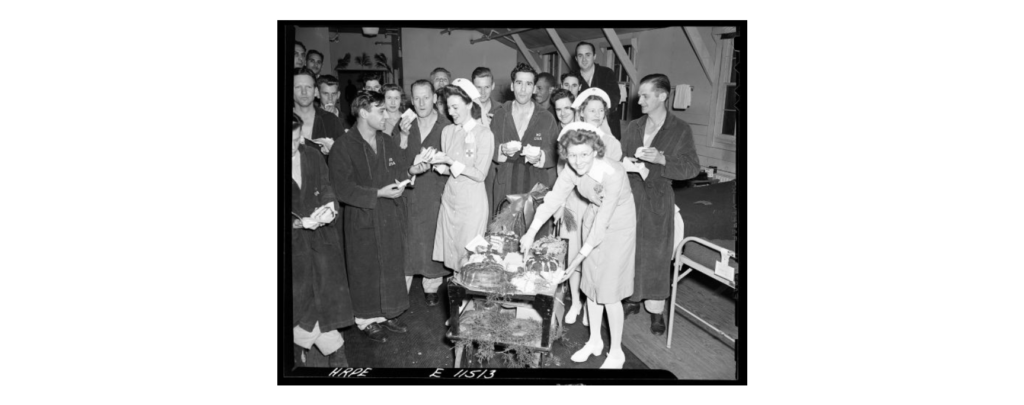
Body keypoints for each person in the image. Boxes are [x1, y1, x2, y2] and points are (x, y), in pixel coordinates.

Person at [520, 127, 636, 369]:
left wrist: (574, 262)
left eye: (584, 154)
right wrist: (530, 233)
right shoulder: (572, 170)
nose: (578, 161)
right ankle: (594, 341)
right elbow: (553, 200)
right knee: (591, 285)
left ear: (596, 151)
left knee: (609, 292)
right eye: (572, 155)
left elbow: (604, 224)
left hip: (618, 228)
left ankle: (616, 352)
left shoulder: (613, 173)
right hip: (593, 219)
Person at [328, 90, 432, 343]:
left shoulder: (386, 140)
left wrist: (412, 170)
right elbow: (342, 189)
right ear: (364, 113)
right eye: (381, 110)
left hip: (388, 215)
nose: (386, 115)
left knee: (391, 265)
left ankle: (389, 313)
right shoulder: (344, 145)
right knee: (365, 269)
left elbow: (399, 169)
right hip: (362, 216)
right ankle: (366, 320)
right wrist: (377, 193)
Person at [620, 74, 701, 335]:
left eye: (645, 96)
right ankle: (632, 299)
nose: (639, 100)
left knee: (656, 256)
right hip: (631, 196)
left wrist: (663, 160)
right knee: (631, 252)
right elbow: (621, 157)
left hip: (658, 198)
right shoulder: (634, 126)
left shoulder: (680, 129)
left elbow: (692, 167)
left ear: (662, 96)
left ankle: (656, 310)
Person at [291, 112, 353, 367]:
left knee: (324, 296)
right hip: (294, 245)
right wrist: (296, 223)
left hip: (321, 240)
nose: (296, 145)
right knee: (302, 301)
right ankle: (334, 350)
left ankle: (301, 349)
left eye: (297, 138)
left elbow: (327, 187)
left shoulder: (311, 155)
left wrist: (329, 208)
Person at [394, 80, 453, 306]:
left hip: (435, 191)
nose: (421, 103)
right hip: (409, 190)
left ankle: (432, 285)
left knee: (432, 236)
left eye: (426, 97)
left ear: (435, 98)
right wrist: (403, 136)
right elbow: (394, 160)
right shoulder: (404, 124)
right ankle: (403, 286)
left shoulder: (446, 126)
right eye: (416, 98)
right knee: (407, 240)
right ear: (411, 99)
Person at [431, 80, 495, 276]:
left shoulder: (484, 134)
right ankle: (457, 295)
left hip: (472, 204)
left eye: (455, 107)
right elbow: (448, 169)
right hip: (450, 200)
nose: (451, 112)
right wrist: (435, 163)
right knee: (453, 255)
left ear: (469, 104)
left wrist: (451, 161)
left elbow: (480, 174)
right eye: (448, 107)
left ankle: (467, 295)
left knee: (470, 259)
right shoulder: (447, 131)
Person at [489, 63, 560, 221]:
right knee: (502, 231)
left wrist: (540, 156)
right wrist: (502, 150)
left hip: (535, 186)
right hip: (505, 184)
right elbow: (489, 148)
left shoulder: (546, 118)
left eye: (528, 84)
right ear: (512, 86)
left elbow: (556, 152)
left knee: (533, 232)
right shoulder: (500, 115)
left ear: (534, 88)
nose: (523, 89)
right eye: (519, 83)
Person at [294, 68, 348, 158]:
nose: (304, 92)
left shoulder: (331, 120)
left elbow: (346, 157)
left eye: (308, 87)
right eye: (298, 87)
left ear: (315, 91)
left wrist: (333, 152)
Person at [574, 42, 621, 140]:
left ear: (594, 56)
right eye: (580, 56)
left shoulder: (606, 73)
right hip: (583, 130)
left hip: (608, 127)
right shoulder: (573, 77)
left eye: (588, 55)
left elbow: (614, 99)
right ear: (576, 58)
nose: (584, 59)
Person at [472, 66, 501, 211]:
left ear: (493, 86)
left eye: (487, 87)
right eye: (478, 87)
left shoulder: (502, 110)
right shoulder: (465, 110)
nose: (483, 92)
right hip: (472, 169)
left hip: (494, 171)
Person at [573, 87, 622, 162]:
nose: (597, 115)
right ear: (582, 112)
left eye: (601, 110)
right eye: (592, 111)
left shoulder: (612, 143)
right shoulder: (572, 139)